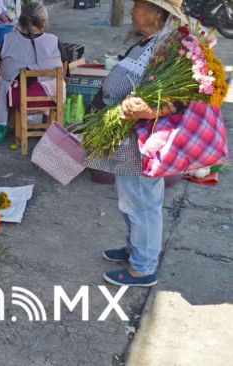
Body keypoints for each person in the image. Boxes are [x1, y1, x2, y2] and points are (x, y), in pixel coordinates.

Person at [92, 0, 186, 287]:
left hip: (144, 138)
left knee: (143, 202)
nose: (132, 11)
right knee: (129, 197)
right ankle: (136, 249)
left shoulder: (169, 48)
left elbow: (179, 99)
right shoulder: (146, 42)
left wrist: (148, 110)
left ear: (157, 13)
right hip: (127, 135)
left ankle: (143, 268)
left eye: (138, 5)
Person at [0, 1, 65, 126]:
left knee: (3, 81)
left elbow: (1, 66)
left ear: (22, 20)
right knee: (59, 82)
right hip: (51, 97)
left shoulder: (8, 39)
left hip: (16, 98)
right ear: (43, 22)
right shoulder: (54, 41)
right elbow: (63, 69)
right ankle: (50, 123)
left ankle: (11, 123)